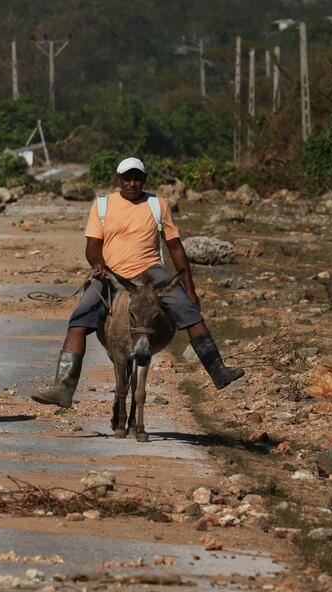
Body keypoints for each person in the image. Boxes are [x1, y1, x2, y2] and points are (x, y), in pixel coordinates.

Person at [31, 156, 244, 408]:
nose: (132, 183)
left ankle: (218, 371)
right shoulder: (102, 205)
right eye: (127, 178)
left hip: (151, 272)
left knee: (188, 311)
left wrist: (190, 287)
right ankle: (63, 388)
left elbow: (174, 247)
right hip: (112, 273)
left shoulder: (157, 204)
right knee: (79, 318)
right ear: (118, 179)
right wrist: (97, 265)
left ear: (144, 180)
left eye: (137, 178)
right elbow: (92, 246)